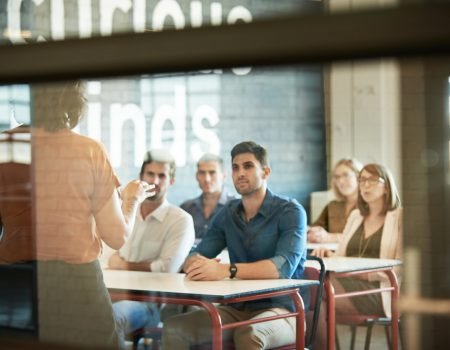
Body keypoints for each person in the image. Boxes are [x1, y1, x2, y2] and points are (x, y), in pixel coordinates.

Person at [32, 81, 152, 349]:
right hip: (76, 282)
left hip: (18, 277)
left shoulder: (7, 146)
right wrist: (131, 201)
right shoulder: (88, 151)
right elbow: (117, 237)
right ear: (75, 101)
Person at [162, 141, 307, 350]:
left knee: (249, 334)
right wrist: (196, 264)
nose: (240, 173)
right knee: (174, 327)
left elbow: (281, 268)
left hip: (284, 310)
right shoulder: (229, 212)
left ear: (265, 172)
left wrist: (224, 270)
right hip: (237, 307)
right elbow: (196, 255)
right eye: (236, 167)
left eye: (248, 166)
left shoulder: (291, 211)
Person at [108, 149, 195, 347]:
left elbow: (166, 268)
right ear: (141, 177)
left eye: (162, 175)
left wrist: (124, 265)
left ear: (171, 181)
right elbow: (107, 256)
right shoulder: (126, 213)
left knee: (111, 317)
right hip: (112, 295)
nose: (155, 180)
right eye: (150, 174)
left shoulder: (180, 220)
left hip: (151, 306)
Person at [311, 163, 402, 349]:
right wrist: (329, 255)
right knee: (313, 290)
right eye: (362, 180)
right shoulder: (356, 216)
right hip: (347, 284)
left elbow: (399, 266)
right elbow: (342, 254)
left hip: (380, 291)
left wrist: (360, 274)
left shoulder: (399, 216)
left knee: (316, 293)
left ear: (386, 186)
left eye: (371, 180)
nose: (364, 185)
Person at [180, 153, 236, 244]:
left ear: (224, 176)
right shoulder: (186, 208)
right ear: (196, 176)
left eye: (212, 172)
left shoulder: (237, 207)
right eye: (202, 173)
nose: (207, 179)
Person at [308, 158, 362, 243]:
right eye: (337, 177)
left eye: (346, 175)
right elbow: (314, 228)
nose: (340, 181)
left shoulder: (369, 206)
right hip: (329, 253)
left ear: (358, 177)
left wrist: (331, 237)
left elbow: (365, 239)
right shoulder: (332, 206)